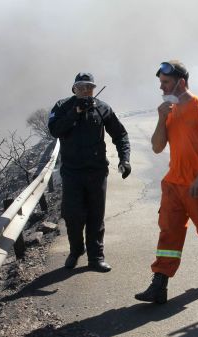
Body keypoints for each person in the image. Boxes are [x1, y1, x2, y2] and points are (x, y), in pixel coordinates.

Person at [135, 60, 198, 304]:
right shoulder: (169, 111)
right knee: (169, 233)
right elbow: (157, 148)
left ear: (181, 82)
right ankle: (159, 283)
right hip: (173, 185)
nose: (161, 88)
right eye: (160, 83)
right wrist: (160, 118)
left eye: (165, 83)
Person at [48, 72, 132, 272]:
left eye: (90, 87)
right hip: (71, 172)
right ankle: (76, 251)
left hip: (97, 172)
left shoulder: (102, 108)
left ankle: (96, 257)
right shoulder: (62, 106)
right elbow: (55, 130)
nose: (86, 90)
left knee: (96, 215)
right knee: (73, 216)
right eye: (82, 86)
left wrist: (125, 160)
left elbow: (120, 134)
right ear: (74, 88)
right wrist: (74, 112)